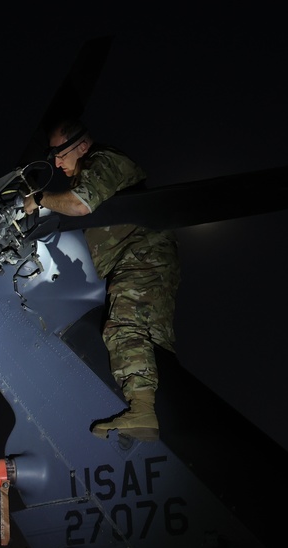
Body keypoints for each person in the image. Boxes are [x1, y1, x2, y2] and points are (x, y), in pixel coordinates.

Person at [23, 120, 180, 441]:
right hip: (144, 256)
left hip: (142, 255)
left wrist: (38, 199)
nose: (56, 163)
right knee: (151, 339)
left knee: (124, 327)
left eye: (59, 153)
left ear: (82, 145)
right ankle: (161, 414)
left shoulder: (102, 161)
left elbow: (79, 204)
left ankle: (142, 411)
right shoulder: (94, 171)